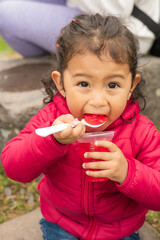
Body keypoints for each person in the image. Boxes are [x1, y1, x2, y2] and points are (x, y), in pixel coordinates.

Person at [1, 13, 160, 240]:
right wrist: (52, 141)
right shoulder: (51, 120)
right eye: (83, 83)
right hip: (63, 224)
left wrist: (127, 172)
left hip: (119, 229)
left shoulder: (142, 132)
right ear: (61, 83)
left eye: (112, 84)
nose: (97, 100)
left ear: (131, 86)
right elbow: (13, 168)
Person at [0, 0, 159, 57]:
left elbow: (112, 12)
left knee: (4, 13)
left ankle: (60, 56)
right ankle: (60, 54)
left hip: (123, 32)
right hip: (87, 10)